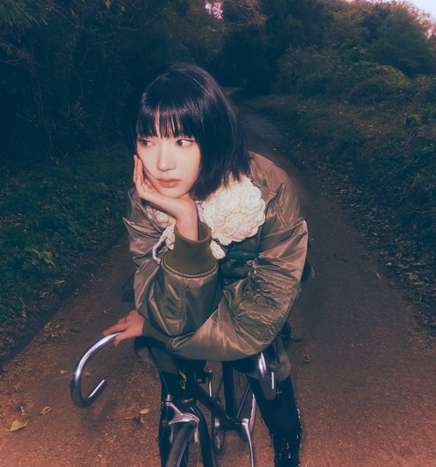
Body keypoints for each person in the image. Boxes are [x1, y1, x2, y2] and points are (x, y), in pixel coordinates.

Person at [104, 62, 309, 467]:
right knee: (173, 387)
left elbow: (252, 326)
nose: (162, 164)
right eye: (147, 141)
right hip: (190, 310)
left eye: (182, 140)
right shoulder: (146, 200)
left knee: (268, 373)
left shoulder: (269, 191)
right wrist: (185, 222)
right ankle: (179, 416)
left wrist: (155, 327)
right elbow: (166, 302)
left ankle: (287, 441)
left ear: (214, 135)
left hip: (248, 308)